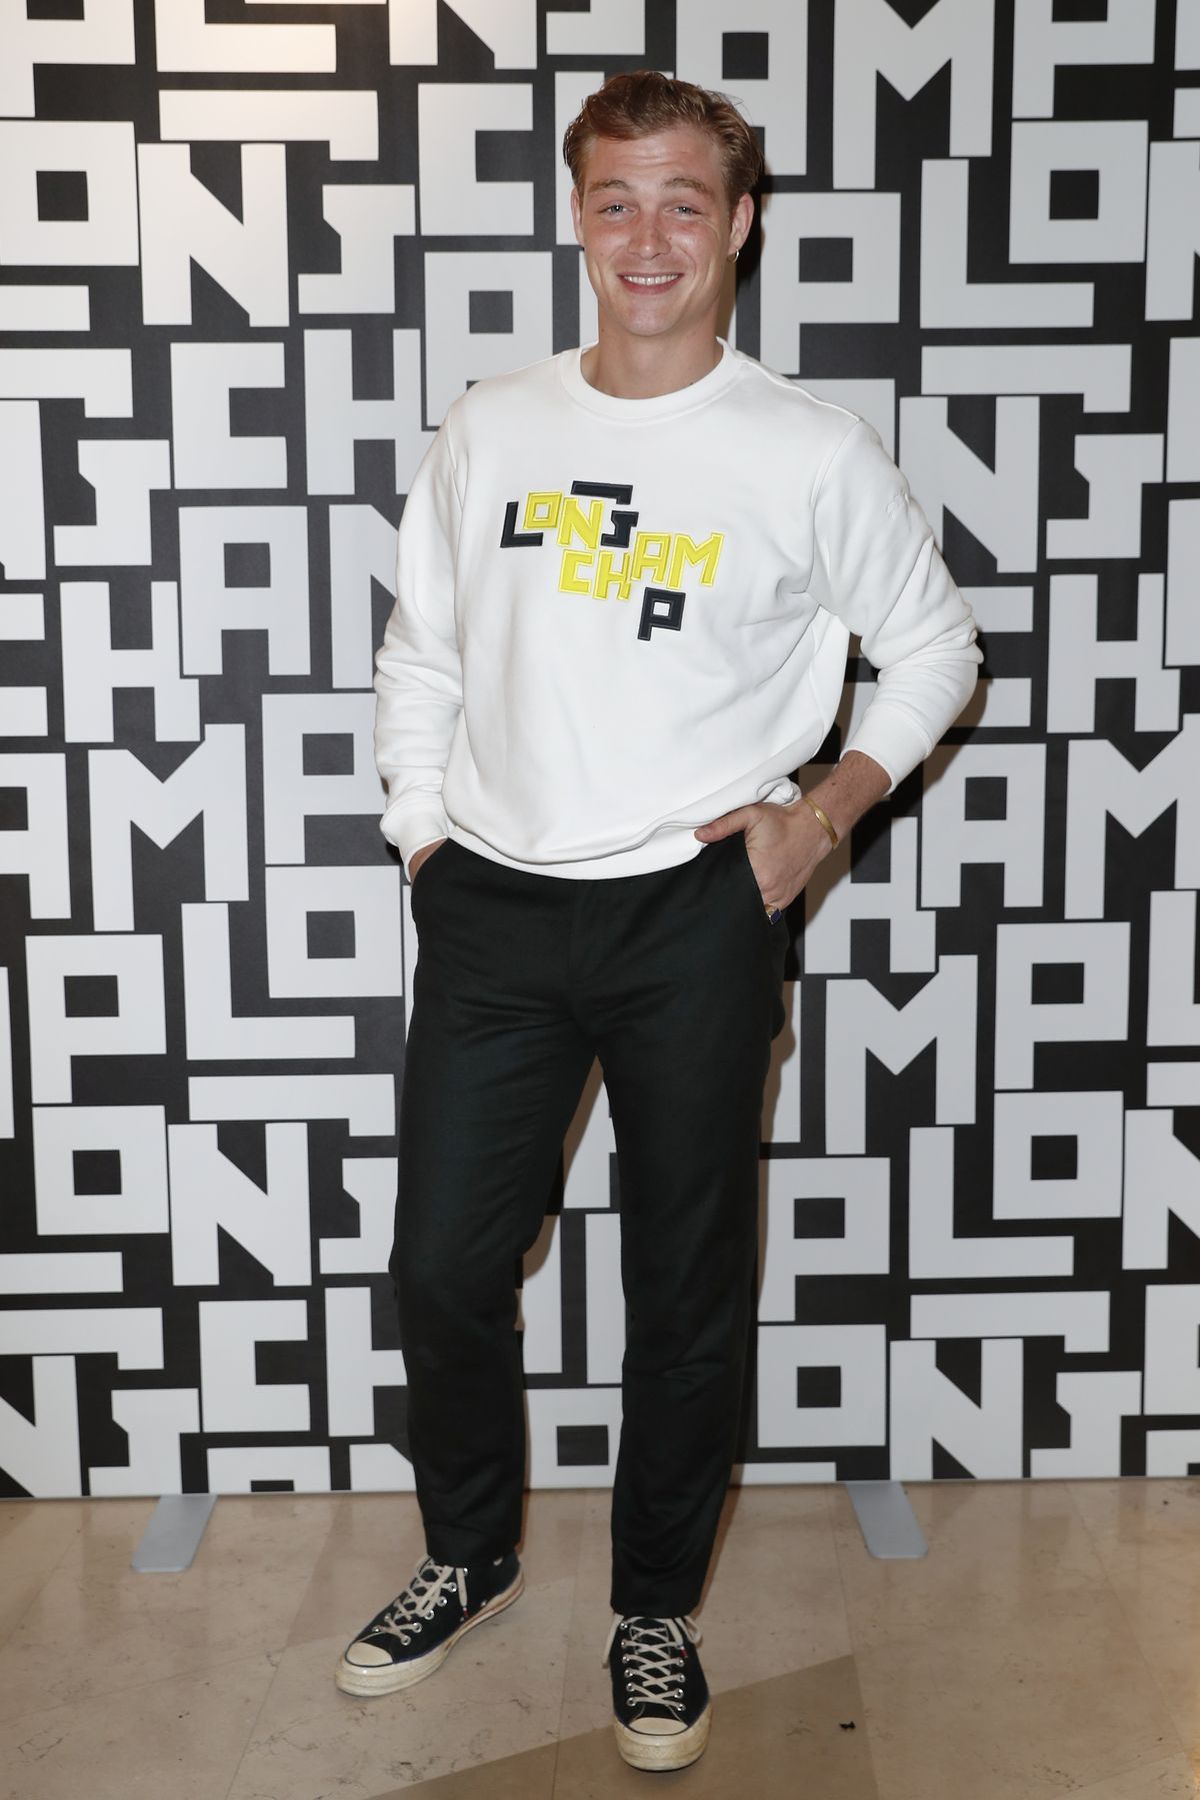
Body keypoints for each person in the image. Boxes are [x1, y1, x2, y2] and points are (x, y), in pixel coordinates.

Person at [336, 70, 980, 1773]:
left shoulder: (804, 449)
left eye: (683, 201)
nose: (647, 236)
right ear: (577, 215)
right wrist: (423, 839)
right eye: (615, 198)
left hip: (697, 911)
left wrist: (820, 818)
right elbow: (425, 652)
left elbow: (936, 648)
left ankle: (653, 1611)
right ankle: (469, 1553)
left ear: (737, 224)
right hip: (495, 904)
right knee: (445, 1265)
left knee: (683, 1281)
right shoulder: (492, 426)